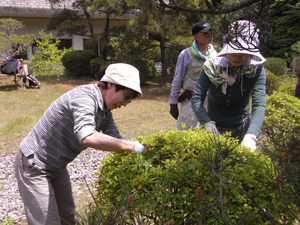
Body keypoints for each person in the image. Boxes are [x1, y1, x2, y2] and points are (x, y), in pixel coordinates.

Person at [14, 63, 146, 225]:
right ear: (110, 85)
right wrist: (130, 146)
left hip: (58, 167)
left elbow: (116, 138)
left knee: (67, 219)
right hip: (35, 164)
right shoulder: (84, 98)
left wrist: (143, 156)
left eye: (130, 100)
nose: (126, 103)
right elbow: (87, 136)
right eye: (127, 96)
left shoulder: (104, 110)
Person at [191, 20, 267, 151]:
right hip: (214, 124)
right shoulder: (212, 66)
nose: (237, 57)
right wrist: (207, 123)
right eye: (233, 51)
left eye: (242, 53)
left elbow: (259, 104)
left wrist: (251, 135)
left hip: (241, 126)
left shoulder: (256, 70)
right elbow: (197, 98)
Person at [169, 21, 217, 130]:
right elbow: (177, 79)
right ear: (196, 36)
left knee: (210, 134)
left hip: (211, 101)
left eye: (211, 32)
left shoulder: (215, 55)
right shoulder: (186, 54)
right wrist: (173, 103)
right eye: (205, 33)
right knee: (186, 132)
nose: (210, 35)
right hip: (191, 99)